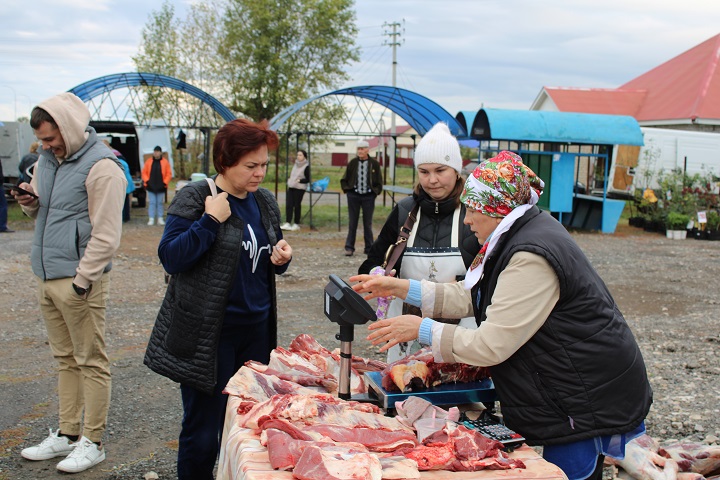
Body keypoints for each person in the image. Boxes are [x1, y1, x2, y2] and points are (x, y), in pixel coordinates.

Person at [351, 151, 652, 480]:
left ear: (498, 209)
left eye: (473, 210)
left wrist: (421, 328)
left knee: (572, 473)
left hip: (585, 394)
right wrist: (400, 287)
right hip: (574, 388)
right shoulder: (517, 233)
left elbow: (490, 345)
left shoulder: (529, 254)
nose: (466, 220)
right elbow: (472, 294)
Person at [143, 118, 293, 480]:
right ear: (225, 161)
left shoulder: (264, 201)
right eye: (251, 166)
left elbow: (269, 250)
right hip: (210, 335)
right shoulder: (196, 197)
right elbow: (171, 257)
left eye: (264, 165)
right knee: (203, 431)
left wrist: (283, 257)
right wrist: (209, 221)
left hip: (255, 331)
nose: (259, 174)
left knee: (247, 424)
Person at [12, 92, 127, 473]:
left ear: (69, 127)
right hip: (47, 275)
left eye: (50, 138)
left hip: (80, 281)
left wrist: (82, 281)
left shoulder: (103, 166)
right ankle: (66, 434)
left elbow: (107, 235)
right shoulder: (47, 161)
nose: (45, 146)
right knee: (65, 360)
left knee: (90, 360)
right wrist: (29, 200)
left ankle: (92, 442)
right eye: (42, 140)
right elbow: (41, 210)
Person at [358, 122, 480, 362]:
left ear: (457, 170)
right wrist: (376, 275)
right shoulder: (404, 212)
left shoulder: (474, 214)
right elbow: (371, 263)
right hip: (405, 343)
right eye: (424, 172)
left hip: (460, 341)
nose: (432, 180)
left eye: (440, 170)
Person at [340, 139, 382, 256]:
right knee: (352, 222)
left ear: (368, 150)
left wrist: (375, 192)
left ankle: (369, 248)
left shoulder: (374, 164)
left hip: (368, 196)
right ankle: (349, 247)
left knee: (367, 223)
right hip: (354, 195)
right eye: (358, 149)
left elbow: (379, 181)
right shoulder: (353, 163)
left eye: (362, 149)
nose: (360, 151)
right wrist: (348, 190)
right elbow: (345, 178)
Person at [103, 140, 135, 223]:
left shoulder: (118, 163)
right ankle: (126, 217)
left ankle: (122, 218)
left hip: (123, 184)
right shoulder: (123, 161)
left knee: (121, 202)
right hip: (127, 184)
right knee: (126, 202)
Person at [141, 145, 172, 225]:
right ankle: (151, 218)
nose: (156, 153)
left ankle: (160, 218)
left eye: (157, 151)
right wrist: (147, 181)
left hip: (161, 186)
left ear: (160, 152)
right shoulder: (149, 161)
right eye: (155, 151)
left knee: (159, 203)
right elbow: (144, 172)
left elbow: (169, 173)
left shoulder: (165, 162)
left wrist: (165, 182)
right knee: (152, 202)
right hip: (151, 186)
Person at [280, 149, 310, 231]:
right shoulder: (296, 164)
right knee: (289, 205)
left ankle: (296, 223)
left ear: (304, 156)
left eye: (300, 155)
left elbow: (308, 179)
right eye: (297, 155)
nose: (298, 157)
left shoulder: (306, 166)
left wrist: (300, 181)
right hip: (291, 186)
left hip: (300, 188)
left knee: (296, 205)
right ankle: (288, 222)